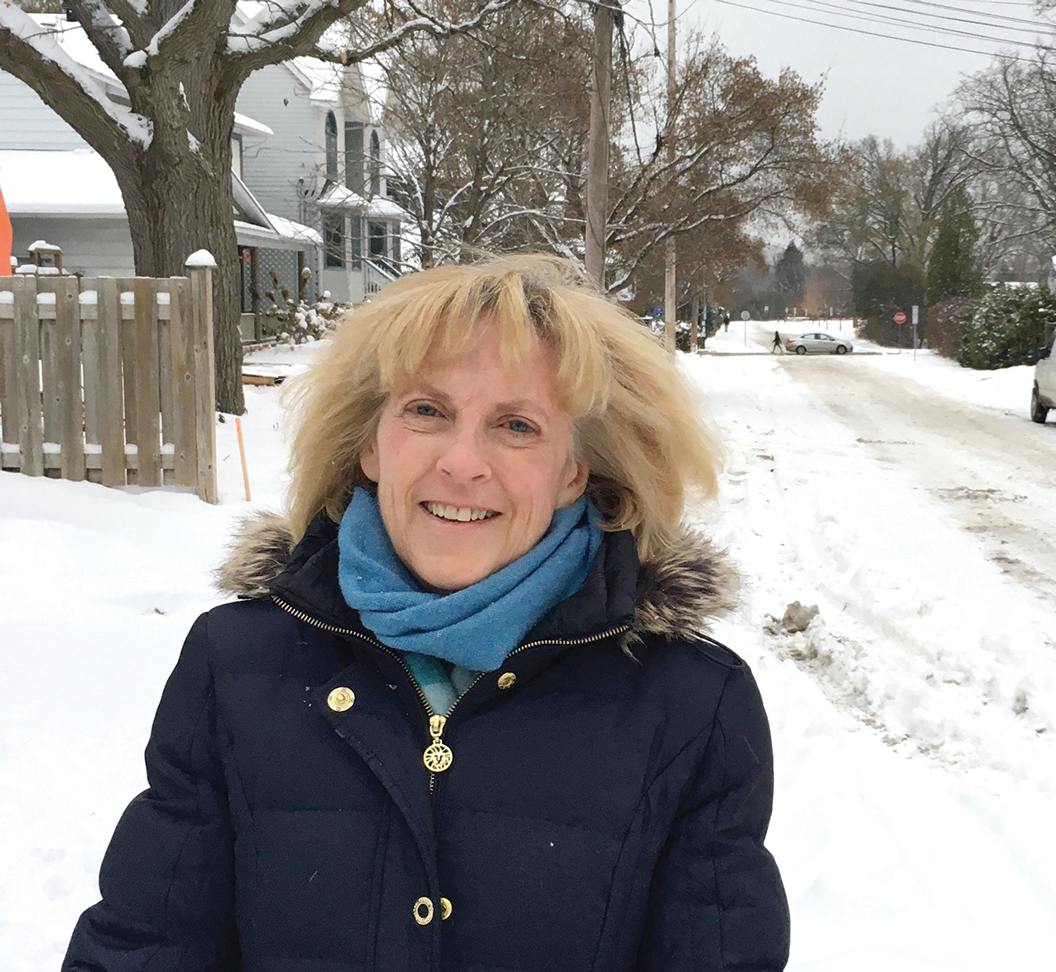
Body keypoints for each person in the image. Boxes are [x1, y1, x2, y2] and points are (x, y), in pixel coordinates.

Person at [63, 254, 789, 971]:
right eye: (427, 411)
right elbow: (146, 942)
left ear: (575, 471)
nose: (462, 462)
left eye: (517, 426)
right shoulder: (239, 663)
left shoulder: (691, 704)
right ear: (372, 444)